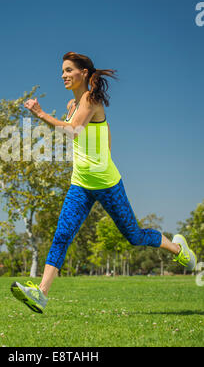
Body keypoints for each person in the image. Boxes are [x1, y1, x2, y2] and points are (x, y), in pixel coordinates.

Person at [10, 51, 197, 314]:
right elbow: (101, 134)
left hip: (108, 185)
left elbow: (74, 130)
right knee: (62, 235)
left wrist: (40, 113)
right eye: (62, 71)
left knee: (134, 236)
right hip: (81, 185)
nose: (63, 75)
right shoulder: (70, 106)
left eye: (68, 70)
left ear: (83, 73)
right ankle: (41, 293)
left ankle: (178, 249)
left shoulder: (91, 99)